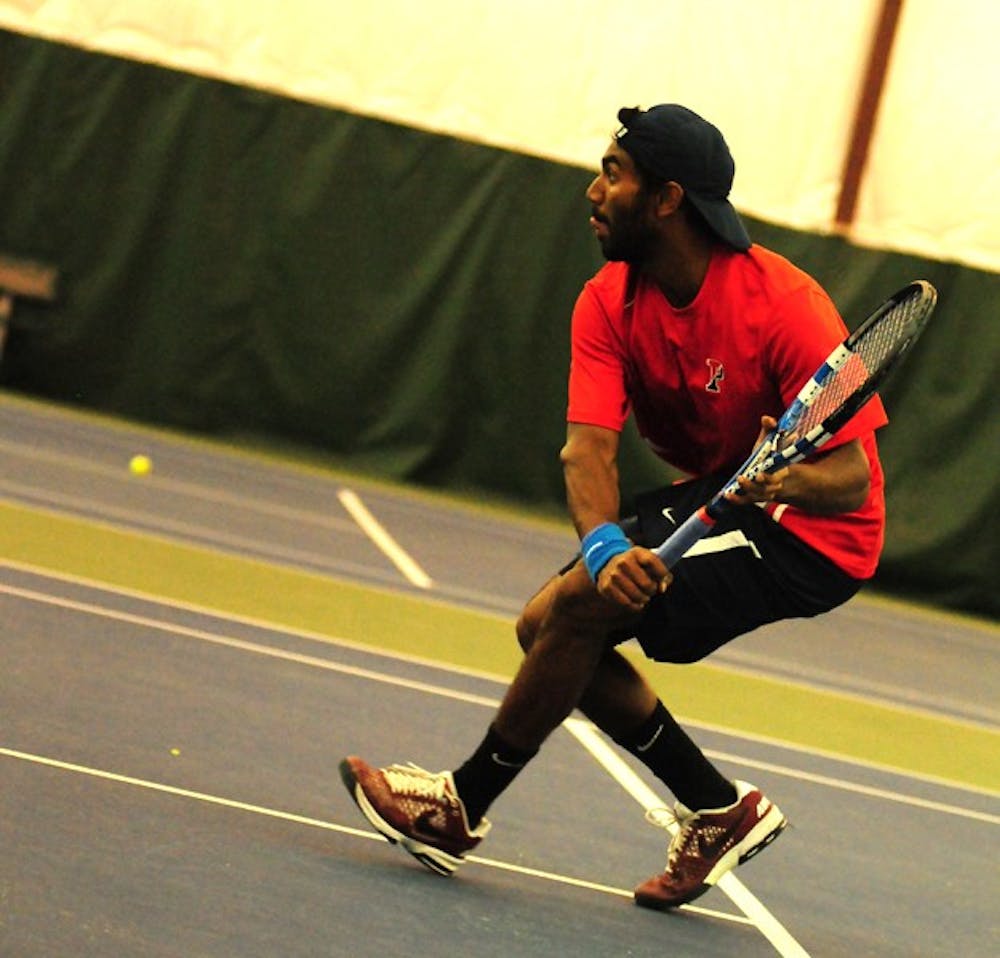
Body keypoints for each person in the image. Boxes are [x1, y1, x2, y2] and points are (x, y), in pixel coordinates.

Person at [340, 104, 887, 909]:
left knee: (573, 617)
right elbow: (586, 450)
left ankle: (461, 807)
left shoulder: (785, 306)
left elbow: (854, 481)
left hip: (811, 537)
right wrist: (600, 547)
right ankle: (716, 809)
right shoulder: (608, 302)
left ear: (666, 199)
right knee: (548, 624)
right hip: (722, 494)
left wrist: (782, 479)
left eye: (613, 173)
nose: (593, 190)